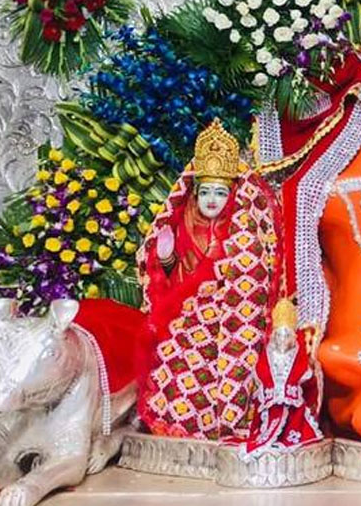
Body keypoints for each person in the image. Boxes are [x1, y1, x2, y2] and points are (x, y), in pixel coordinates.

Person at [136, 119, 279, 440]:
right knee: (171, 361)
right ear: (194, 193)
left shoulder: (243, 233)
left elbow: (249, 285)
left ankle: (220, 420)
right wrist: (165, 258)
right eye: (205, 192)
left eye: (220, 192)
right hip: (183, 322)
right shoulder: (183, 225)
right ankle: (174, 421)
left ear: (232, 194)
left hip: (225, 326)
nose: (211, 200)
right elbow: (167, 278)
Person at [240, 298, 324, 455]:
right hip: (269, 404)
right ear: (274, 336)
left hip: (292, 407)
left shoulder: (298, 356)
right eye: (279, 335)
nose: (282, 339)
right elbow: (261, 373)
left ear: (292, 337)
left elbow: (305, 377)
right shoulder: (267, 354)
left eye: (286, 336)